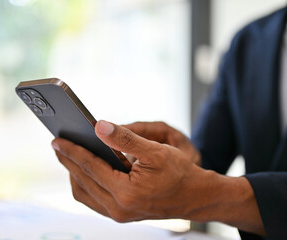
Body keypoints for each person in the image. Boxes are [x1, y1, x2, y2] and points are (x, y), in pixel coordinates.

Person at [51, 7, 287, 240]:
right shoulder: (248, 41)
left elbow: (205, 187)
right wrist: (178, 161)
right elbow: (207, 159)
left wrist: (207, 196)